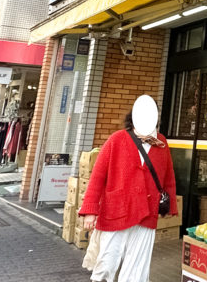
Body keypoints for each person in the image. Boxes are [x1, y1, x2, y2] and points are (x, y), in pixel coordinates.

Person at [80, 95, 177, 282]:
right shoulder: (117, 139)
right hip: (116, 210)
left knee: (137, 268)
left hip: (147, 212)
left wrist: (170, 205)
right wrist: (90, 211)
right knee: (106, 262)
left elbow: (168, 176)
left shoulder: (162, 142)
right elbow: (97, 177)